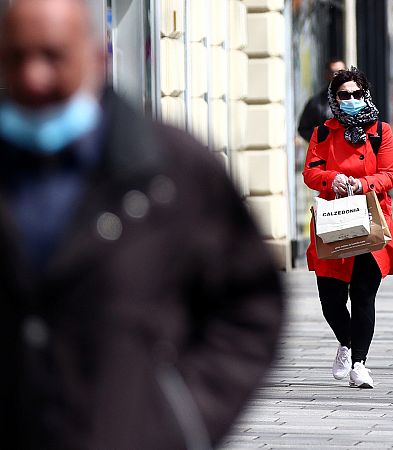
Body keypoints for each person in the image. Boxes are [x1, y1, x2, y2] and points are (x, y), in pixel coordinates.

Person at [0, 0, 285, 448]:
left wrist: (183, 417)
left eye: (52, 56)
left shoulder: (171, 172)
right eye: (16, 58)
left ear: (96, 57)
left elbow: (250, 305)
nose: (33, 76)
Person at [303, 67, 393, 389]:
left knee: (363, 295)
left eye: (356, 94)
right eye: (343, 95)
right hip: (333, 220)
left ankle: (360, 364)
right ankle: (345, 343)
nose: (351, 99)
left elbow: (391, 174)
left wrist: (361, 184)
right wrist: (332, 179)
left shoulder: (381, 131)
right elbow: (310, 173)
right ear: (334, 99)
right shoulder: (323, 133)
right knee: (331, 300)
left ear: (366, 94)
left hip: (372, 219)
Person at [297, 58, 347, 142]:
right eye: (333, 72)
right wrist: (322, 138)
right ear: (326, 74)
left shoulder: (357, 96)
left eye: (340, 72)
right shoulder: (316, 102)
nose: (337, 75)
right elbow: (303, 129)